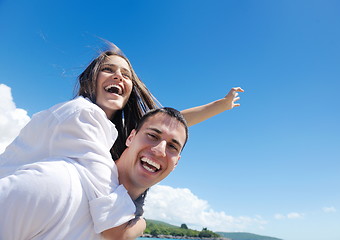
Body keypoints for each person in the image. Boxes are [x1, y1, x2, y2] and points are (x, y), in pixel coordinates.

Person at [0, 41, 243, 237]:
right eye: (108, 70)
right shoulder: (80, 115)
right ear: (90, 80)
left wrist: (221, 105)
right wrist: (140, 223)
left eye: (126, 74)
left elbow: (172, 123)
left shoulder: (113, 131)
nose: (118, 77)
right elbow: (115, 228)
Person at [0, 107, 188, 240]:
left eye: (172, 146)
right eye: (153, 136)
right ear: (130, 137)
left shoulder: (127, 220)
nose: (160, 150)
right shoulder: (57, 183)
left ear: (177, 162)